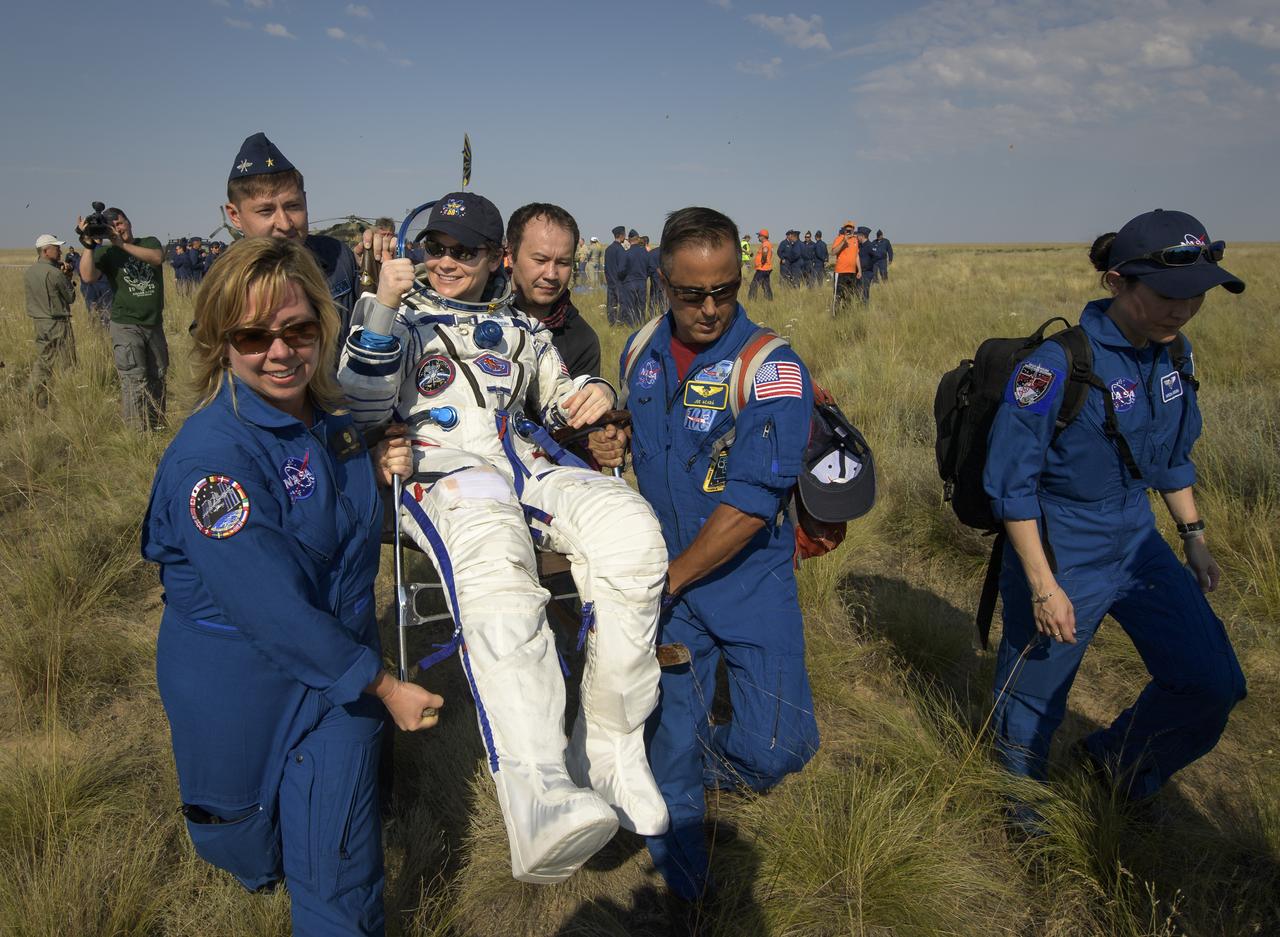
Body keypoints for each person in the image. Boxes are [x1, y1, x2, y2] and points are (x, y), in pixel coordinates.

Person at [338, 191, 670, 884]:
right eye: (436, 247)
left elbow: (560, 395)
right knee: (496, 554)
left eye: (464, 251)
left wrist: (597, 392)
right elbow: (360, 404)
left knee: (631, 528)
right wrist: (380, 307)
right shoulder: (400, 318)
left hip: (522, 463)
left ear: (495, 259)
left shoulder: (518, 328)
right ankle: (537, 787)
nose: (447, 261)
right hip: (442, 471)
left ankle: (609, 747)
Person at [143, 236, 442, 936]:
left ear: (322, 328)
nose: (280, 352)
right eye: (253, 336)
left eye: (299, 330)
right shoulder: (211, 462)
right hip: (246, 685)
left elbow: (332, 521)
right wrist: (386, 686)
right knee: (245, 841)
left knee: (340, 880)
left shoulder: (334, 424)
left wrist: (374, 466)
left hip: (339, 682)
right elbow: (272, 610)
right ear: (221, 342)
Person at [984, 209, 1247, 819]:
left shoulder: (1173, 354)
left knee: (1212, 681)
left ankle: (1115, 764)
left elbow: (1171, 456)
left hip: (1138, 541)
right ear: (1117, 282)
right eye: (1168, 296)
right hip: (1061, 545)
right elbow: (1012, 488)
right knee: (1032, 703)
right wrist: (1044, 586)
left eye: (1196, 297)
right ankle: (1023, 814)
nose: (1183, 311)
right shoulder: (1055, 366)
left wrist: (1193, 536)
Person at [618, 206, 820, 901]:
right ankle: (683, 887)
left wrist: (672, 579)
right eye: (691, 293)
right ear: (662, 283)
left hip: (746, 583)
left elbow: (751, 505)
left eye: (724, 291)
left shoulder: (771, 368)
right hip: (668, 584)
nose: (709, 308)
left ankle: (699, 763)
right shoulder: (639, 352)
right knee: (671, 741)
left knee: (779, 749)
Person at [224, 131, 360, 341]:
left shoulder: (338, 257)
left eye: (293, 206)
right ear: (235, 215)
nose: (285, 224)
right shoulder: (226, 282)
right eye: (266, 211)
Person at [77, 206, 168, 431]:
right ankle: (136, 434)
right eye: (111, 226)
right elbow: (88, 276)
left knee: (158, 376)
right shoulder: (106, 253)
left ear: (128, 222)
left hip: (153, 323)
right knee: (134, 380)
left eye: (119, 223)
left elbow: (157, 258)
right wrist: (88, 245)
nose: (117, 229)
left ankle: (157, 426)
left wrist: (122, 244)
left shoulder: (149, 242)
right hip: (125, 324)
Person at [507, 201, 602, 378]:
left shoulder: (582, 340)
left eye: (563, 263)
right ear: (511, 256)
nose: (551, 274)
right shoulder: (474, 314)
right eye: (540, 260)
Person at [25, 234, 76, 408]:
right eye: (56, 248)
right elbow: (70, 297)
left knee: (44, 361)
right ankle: (68, 400)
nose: (60, 251)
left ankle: (33, 398)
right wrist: (68, 276)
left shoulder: (30, 272)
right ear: (46, 251)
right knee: (68, 363)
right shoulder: (54, 273)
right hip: (57, 322)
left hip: (39, 322)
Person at [830, 221, 861, 312]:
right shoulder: (839, 238)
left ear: (853, 229)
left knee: (849, 295)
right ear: (844, 230)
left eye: (850, 229)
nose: (848, 230)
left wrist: (859, 270)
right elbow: (833, 252)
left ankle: (846, 314)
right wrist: (844, 241)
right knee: (838, 295)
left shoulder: (855, 240)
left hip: (852, 272)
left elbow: (856, 256)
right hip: (840, 272)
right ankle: (835, 314)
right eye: (847, 229)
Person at [621, 229, 649, 326]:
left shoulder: (626, 253)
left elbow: (621, 270)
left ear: (629, 240)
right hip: (642, 282)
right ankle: (641, 325)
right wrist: (645, 276)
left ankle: (631, 325)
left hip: (629, 283)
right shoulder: (645, 252)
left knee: (630, 307)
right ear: (638, 239)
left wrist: (623, 278)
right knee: (641, 306)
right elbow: (649, 267)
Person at [604, 225, 629, 326]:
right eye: (624, 235)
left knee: (611, 304)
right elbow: (622, 269)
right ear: (621, 235)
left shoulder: (608, 249)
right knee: (622, 303)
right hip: (619, 282)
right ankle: (621, 323)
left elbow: (606, 268)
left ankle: (612, 322)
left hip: (610, 281)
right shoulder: (620, 250)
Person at [748, 228, 773, 301]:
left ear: (763, 236)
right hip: (766, 268)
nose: (758, 237)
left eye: (759, 236)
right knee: (766, 285)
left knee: (754, 285)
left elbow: (765, 251)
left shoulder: (765, 244)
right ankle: (769, 300)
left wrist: (763, 259)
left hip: (762, 268)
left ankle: (751, 300)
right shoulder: (768, 243)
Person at [643, 235, 664, 315]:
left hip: (654, 282)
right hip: (666, 284)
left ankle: (652, 316)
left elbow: (648, 269)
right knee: (664, 303)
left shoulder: (652, 253)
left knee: (653, 301)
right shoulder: (670, 253)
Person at [856, 227, 875, 303]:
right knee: (857, 292)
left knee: (864, 292)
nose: (857, 237)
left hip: (867, 273)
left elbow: (877, 256)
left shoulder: (870, 246)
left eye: (858, 235)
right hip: (859, 273)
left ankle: (865, 307)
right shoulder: (859, 245)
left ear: (862, 236)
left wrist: (869, 265)